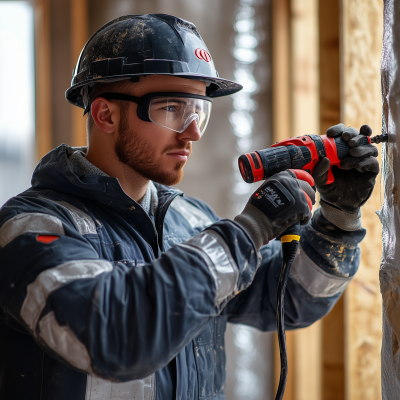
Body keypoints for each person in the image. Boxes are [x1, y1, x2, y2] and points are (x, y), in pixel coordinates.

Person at [0, 14, 379, 400]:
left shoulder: (190, 222)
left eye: (199, 109)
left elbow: (290, 299)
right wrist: (249, 230)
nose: (193, 130)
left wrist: (338, 217)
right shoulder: (32, 228)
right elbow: (112, 336)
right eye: (170, 107)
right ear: (106, 115)